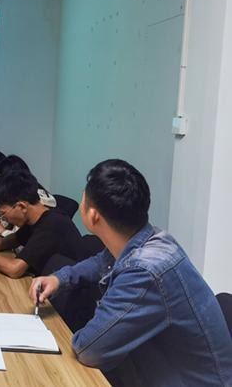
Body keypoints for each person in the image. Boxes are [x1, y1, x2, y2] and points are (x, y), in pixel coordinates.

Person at [29, 160, 232, 386]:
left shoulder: (144, 273)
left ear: (93, 215)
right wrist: (58, 279)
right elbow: (102, 261)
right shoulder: (150, 239)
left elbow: (89, 349)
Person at [0, 170, 92, 278]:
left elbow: (15, 270)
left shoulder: (52, 224)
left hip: (67, 295)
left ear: (21, 206)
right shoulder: (36, 216)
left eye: (2, 213)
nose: (3, 219)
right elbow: (17, 238)